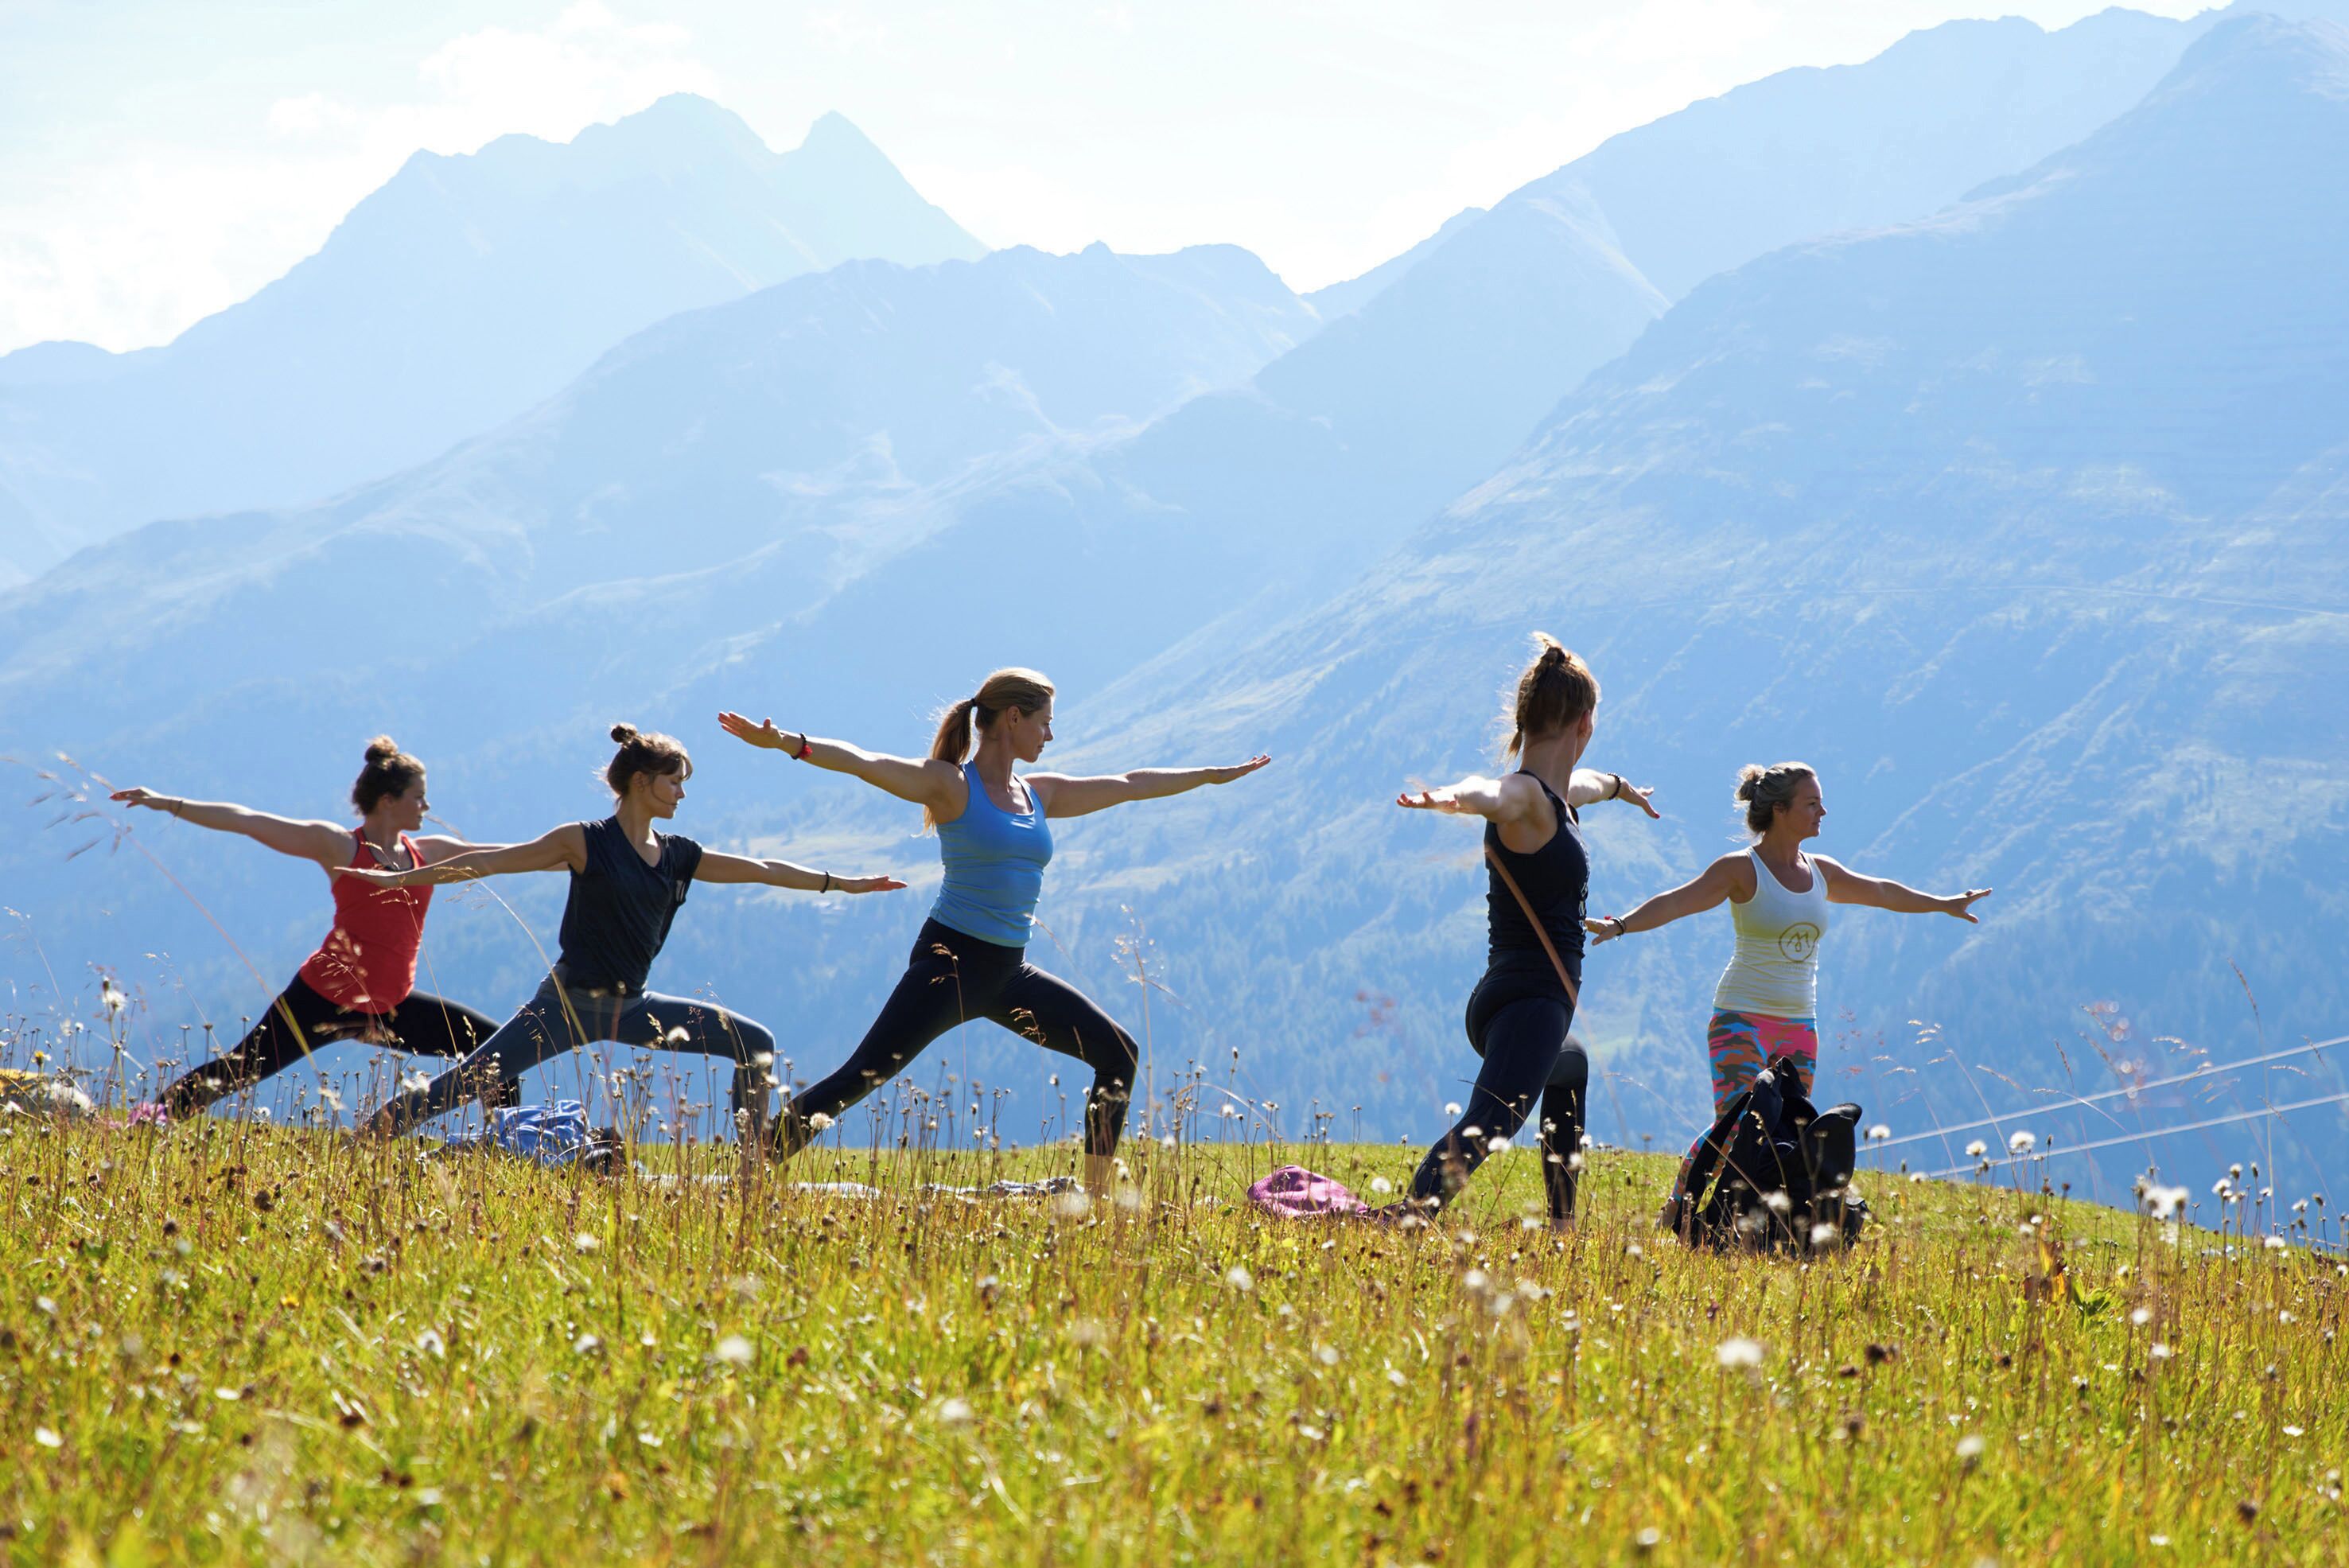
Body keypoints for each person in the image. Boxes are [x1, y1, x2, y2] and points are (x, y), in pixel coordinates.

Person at [718, 667, 1270, 1189]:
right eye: (1043, 721)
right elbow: (866, 761)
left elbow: (1128, 783)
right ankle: (751, 1168)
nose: (1049, 734)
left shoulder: (1040, 794)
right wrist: (789, 743)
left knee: (1116, 1052)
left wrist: (1208, 777)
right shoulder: (951, 785)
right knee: (863, 1075)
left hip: (1009, 973)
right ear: (1012, 718)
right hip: (949, 962)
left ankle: (1095, 1201)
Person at [354, 723, 904, 1139]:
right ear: (642, 783)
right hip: (564, 1007)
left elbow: (761, 869)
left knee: (753, 1043)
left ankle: (750, 1169)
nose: (681, 796)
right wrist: (401, 879)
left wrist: (845, 884)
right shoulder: (583, 839)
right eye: (674, 783)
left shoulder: (678, 855)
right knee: (464, 1083)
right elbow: (490, 864)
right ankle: (366, 1139)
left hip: (633, 1008)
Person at [1583, 761, 1992, 1216]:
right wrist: (1621, 925)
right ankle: (1679, 1204)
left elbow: (1880, 891)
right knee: (1737, 1125)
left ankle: (1755, 1223)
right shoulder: (1741, 869)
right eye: (1812, 803)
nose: (1823, 812)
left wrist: (1943, 904)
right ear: (1780, 810)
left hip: (1800, 1026)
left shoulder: (1822, 872)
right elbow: (1678, 901)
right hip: (1740, 1017)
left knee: (1787, 1129)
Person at [1388, 636, 1659, 1227]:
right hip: (1528, 1002)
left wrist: (1622, 787)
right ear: (1585, 722)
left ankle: (1561, 1227)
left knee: (1569, 1067)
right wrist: (1448, 798)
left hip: (1518, 999)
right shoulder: (1528, 799)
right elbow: (1490, 793)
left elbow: (1591, 783)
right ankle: (1405, 1222)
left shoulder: (1558, 797)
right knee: (1488, 1127)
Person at [113, 737, 524, 1123]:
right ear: (388, 800)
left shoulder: (429, 853)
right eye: (418, 796)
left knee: (501, 1052)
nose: (426, 805)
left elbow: (509, 857)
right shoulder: (340, 846)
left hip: (389, 1007)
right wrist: (167, 803)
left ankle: (502, 1143)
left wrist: (578, 853)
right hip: (320, 999)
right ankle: (148, 1123)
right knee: (240, 1069)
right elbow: (249, 821)